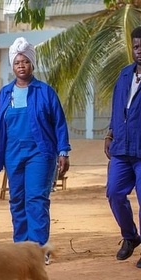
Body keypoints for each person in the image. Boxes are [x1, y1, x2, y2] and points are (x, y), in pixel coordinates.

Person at [0, 37, 70, 264]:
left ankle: (39, 251)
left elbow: (59, 123)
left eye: (26, 61)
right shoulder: (4, 94)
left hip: (40, 153)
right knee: (17, 200)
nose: (21, 65)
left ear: (32, 64)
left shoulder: (45, 92)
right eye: (17, 62)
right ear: (13, 66)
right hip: (12, 153)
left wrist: (63, 151)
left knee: (37, 199)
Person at [104, 26, 141, 268]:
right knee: (114, 194)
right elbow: (118, 107)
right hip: (121, 149)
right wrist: (110, 133)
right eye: (136, 47)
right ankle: (130, 237)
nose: (140, 51)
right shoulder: (125, 74)